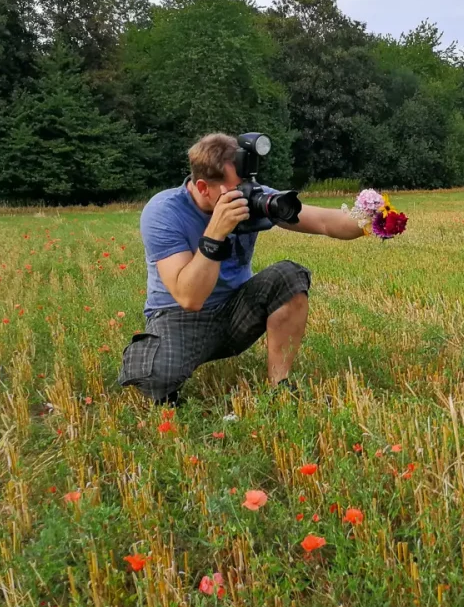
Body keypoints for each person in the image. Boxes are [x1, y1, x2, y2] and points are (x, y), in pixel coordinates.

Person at [118, 133, 365, 404]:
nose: (247, 195)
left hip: (237, 310)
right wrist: (216, 233)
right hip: (179, 317)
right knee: (155, 376)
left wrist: (373, 218)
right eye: (237, 190)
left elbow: (325, 222)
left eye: (248, 185)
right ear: (203, 187)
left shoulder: (253, 195)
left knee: (288, 276)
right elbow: (189, 298)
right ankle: (157, 370)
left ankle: (280, 387)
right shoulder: (164, 211)